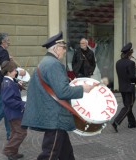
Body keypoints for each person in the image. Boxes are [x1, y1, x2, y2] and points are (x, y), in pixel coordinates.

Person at [21, 31, 94, 160]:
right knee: (49, 154)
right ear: (55, 48)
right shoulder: (54, 64)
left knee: (66, 153)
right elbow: (62, 92)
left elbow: (55, 87)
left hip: (52, 115)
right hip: (55, 117)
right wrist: (83, 88)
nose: (65, 51)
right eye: (63, 47)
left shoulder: (46, 62)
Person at [1, 61, 27, 160]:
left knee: (15, 132)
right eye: (14, 70)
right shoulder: (8, 83)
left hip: (13, 112)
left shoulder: (9, 81)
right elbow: (8, 100)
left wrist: (17, 86)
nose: (16, 72)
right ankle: (8, 150)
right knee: (21, 132)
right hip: (14, 113)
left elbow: (11, 93)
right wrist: (23, 104)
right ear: (8, 72)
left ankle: (13, 153)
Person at [112, 42, 136, 132]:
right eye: (131, 53)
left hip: (122, 87)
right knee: (128, 107)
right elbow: (131, 77)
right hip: (129, 88)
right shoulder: (131, 63)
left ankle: (132, 123)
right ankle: (116, 122)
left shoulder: (118, 62)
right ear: (129, 53)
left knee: (128, 106)